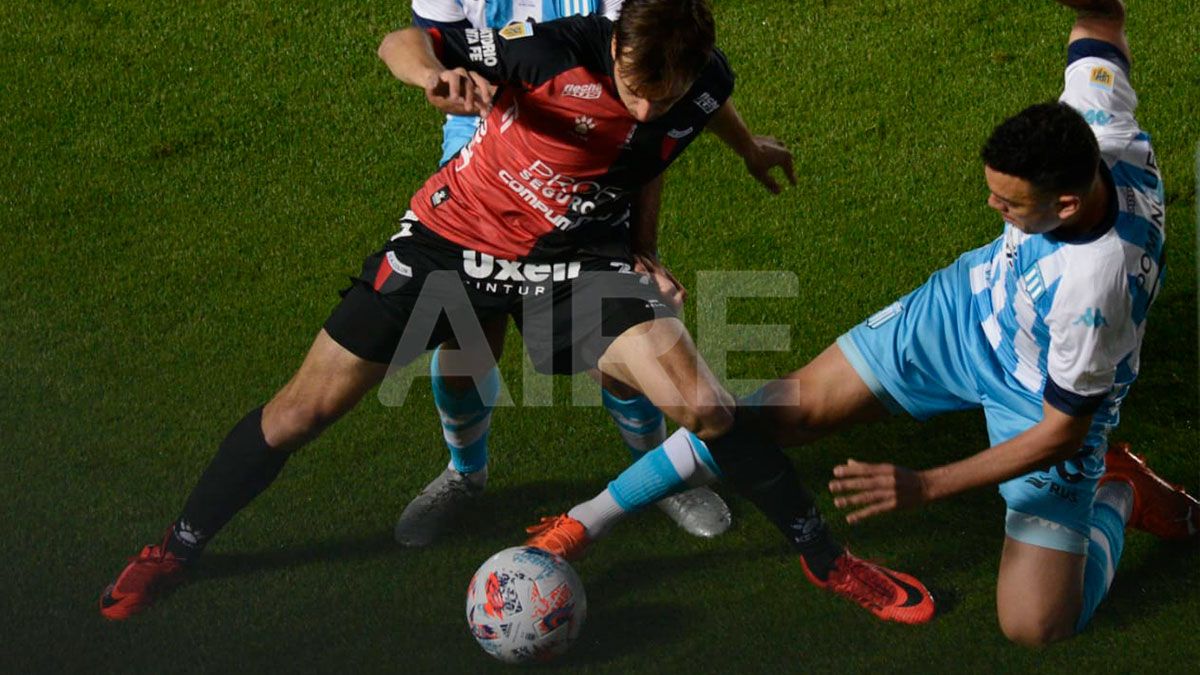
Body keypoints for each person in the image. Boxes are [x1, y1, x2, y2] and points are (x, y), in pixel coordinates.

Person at [104, 0, 913, 623]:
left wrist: (744, 149)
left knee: (702, 402)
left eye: (662, 95)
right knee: (300, 410)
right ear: (615, 46)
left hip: (579, 258)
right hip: (450, 241)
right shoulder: (545, 48)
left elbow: (674, 135)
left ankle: (824, 554)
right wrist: (430, 77)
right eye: (632, 86)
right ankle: (175, 548)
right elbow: (400, 39)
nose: (642, 109)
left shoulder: (701, 81)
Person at [529, 0, 1195, 642]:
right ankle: (587, 520)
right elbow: (1102, 16)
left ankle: (1119, 493)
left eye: (1010, 204)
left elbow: (1059, 429)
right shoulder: (1096, 124)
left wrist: (926, 482)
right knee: (766, 415)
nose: (993, 208)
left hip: (1038, 394)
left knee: (1035, 622)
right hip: (963, 313)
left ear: (1069, 202)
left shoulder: (1096, 289)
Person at [396, 0, 734, 549]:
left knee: (613, 337)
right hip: (484, 152)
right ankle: (463, 474)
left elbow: (656, 104)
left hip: (595, 153)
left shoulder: (637, 19)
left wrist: (640, 246)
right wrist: (436, 78)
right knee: (466, 334)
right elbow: (425, 46)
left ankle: (656, 475)